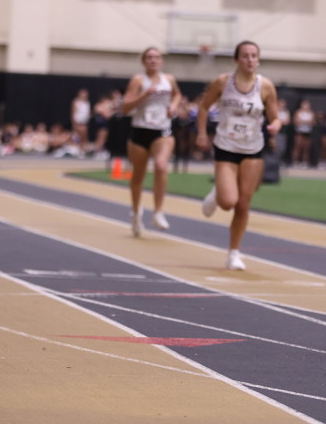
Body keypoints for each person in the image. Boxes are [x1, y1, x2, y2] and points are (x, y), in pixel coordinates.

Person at [196, 40, 282, 270]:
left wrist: (275, 126)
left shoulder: (266, 86)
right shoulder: (223, 82)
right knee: (228, 202)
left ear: (258, 59)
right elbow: (203, 107)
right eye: (245, 56)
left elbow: (275, 117)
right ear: (237, 59)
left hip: (252, 148)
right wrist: (202, 133)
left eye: (254, 56)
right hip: (226, 146)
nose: (250, 60)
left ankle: (234, 253)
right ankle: (218, 193)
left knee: (243, 204)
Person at [121, 47, 182, 236]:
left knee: (161, 166)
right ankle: (136, 213)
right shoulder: (138, 81)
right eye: (149, 57)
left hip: (162, 131)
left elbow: (177, 94)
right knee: (138, 176)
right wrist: (144, 95)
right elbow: (125, 108)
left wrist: (173, 106)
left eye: (156, 57)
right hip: (140, 131)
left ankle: (158, 212)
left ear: (161, 61)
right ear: (143, 61)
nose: (153, 60)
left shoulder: (168, 79)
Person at [71, 88, 91, 156]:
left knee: (84, 137)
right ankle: (78, 150)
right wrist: (74, 124)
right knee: (77, 137)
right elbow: (73, 113)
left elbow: (87, 113)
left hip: (84, 123)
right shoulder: (76, 102)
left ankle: (84, 150)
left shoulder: (87, 103)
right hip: (78, 123)